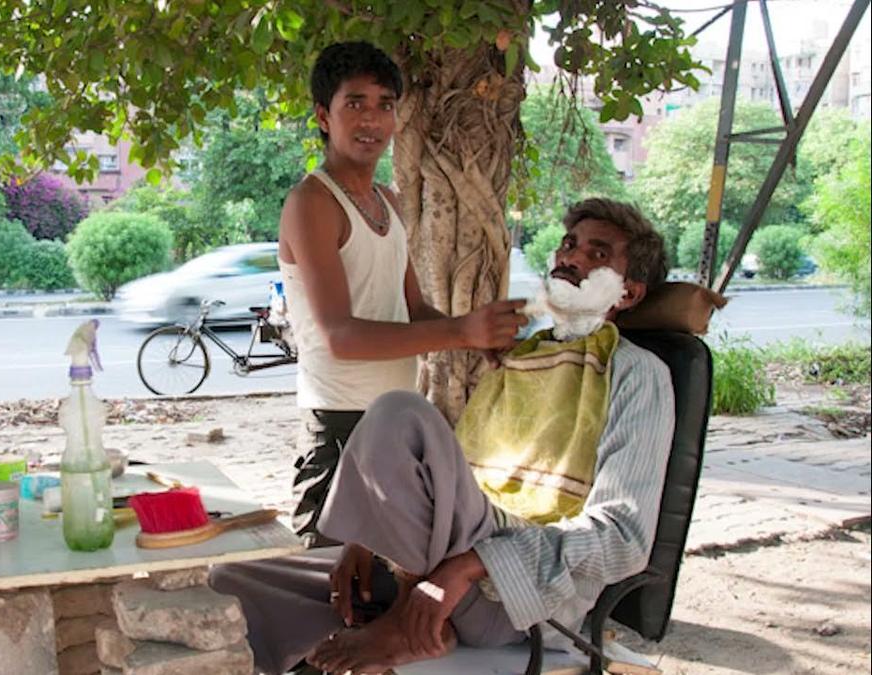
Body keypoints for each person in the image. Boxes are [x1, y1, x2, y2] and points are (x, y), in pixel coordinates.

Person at [212, 198, 675, 674]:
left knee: (400, 410)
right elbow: (455, 490)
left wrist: (470, 565)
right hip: (445, 562)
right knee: (229, 582)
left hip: (520, 597)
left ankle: (409, 622)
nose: (570, 259)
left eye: (597, 255)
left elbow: (624, 538)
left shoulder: (637, 374)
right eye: (568, 246)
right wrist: (366, 542)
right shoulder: (521, 357)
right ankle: (399, 604)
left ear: (628, 294)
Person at [281, 41, 526, 543]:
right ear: (324, 116)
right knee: (326, 583)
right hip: (339, 424)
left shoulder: (388, 202)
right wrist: (460, 331)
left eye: (385, 105)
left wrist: (481, 338)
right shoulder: (313, 202)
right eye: (355, 104)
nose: (371, 119)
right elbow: (341, 338)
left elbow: (413, 308)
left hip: (394, 419)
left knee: (389, 582)